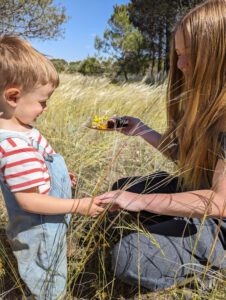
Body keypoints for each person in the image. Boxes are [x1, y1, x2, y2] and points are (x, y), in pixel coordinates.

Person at [97, 0, 226, 292]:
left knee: (130, 256)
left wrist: (139, 202)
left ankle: (210, 272)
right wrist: (141, 130)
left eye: (190, 55)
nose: (180, 65)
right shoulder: (206, 101)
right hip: (196, 192)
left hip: (220, 223)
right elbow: (186, 159)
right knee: (123, 187)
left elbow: (219, 202)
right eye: (178, 54)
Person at [0, 35, 104, 299]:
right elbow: (30, 200)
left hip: (51, 222)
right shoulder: (14, 146)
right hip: (40, 231)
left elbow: (38, 167)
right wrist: (80, 205)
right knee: (48, 276)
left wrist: (57, 175)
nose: (45, 109)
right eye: (42, 101)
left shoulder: (24, 130)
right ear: (13, 96)